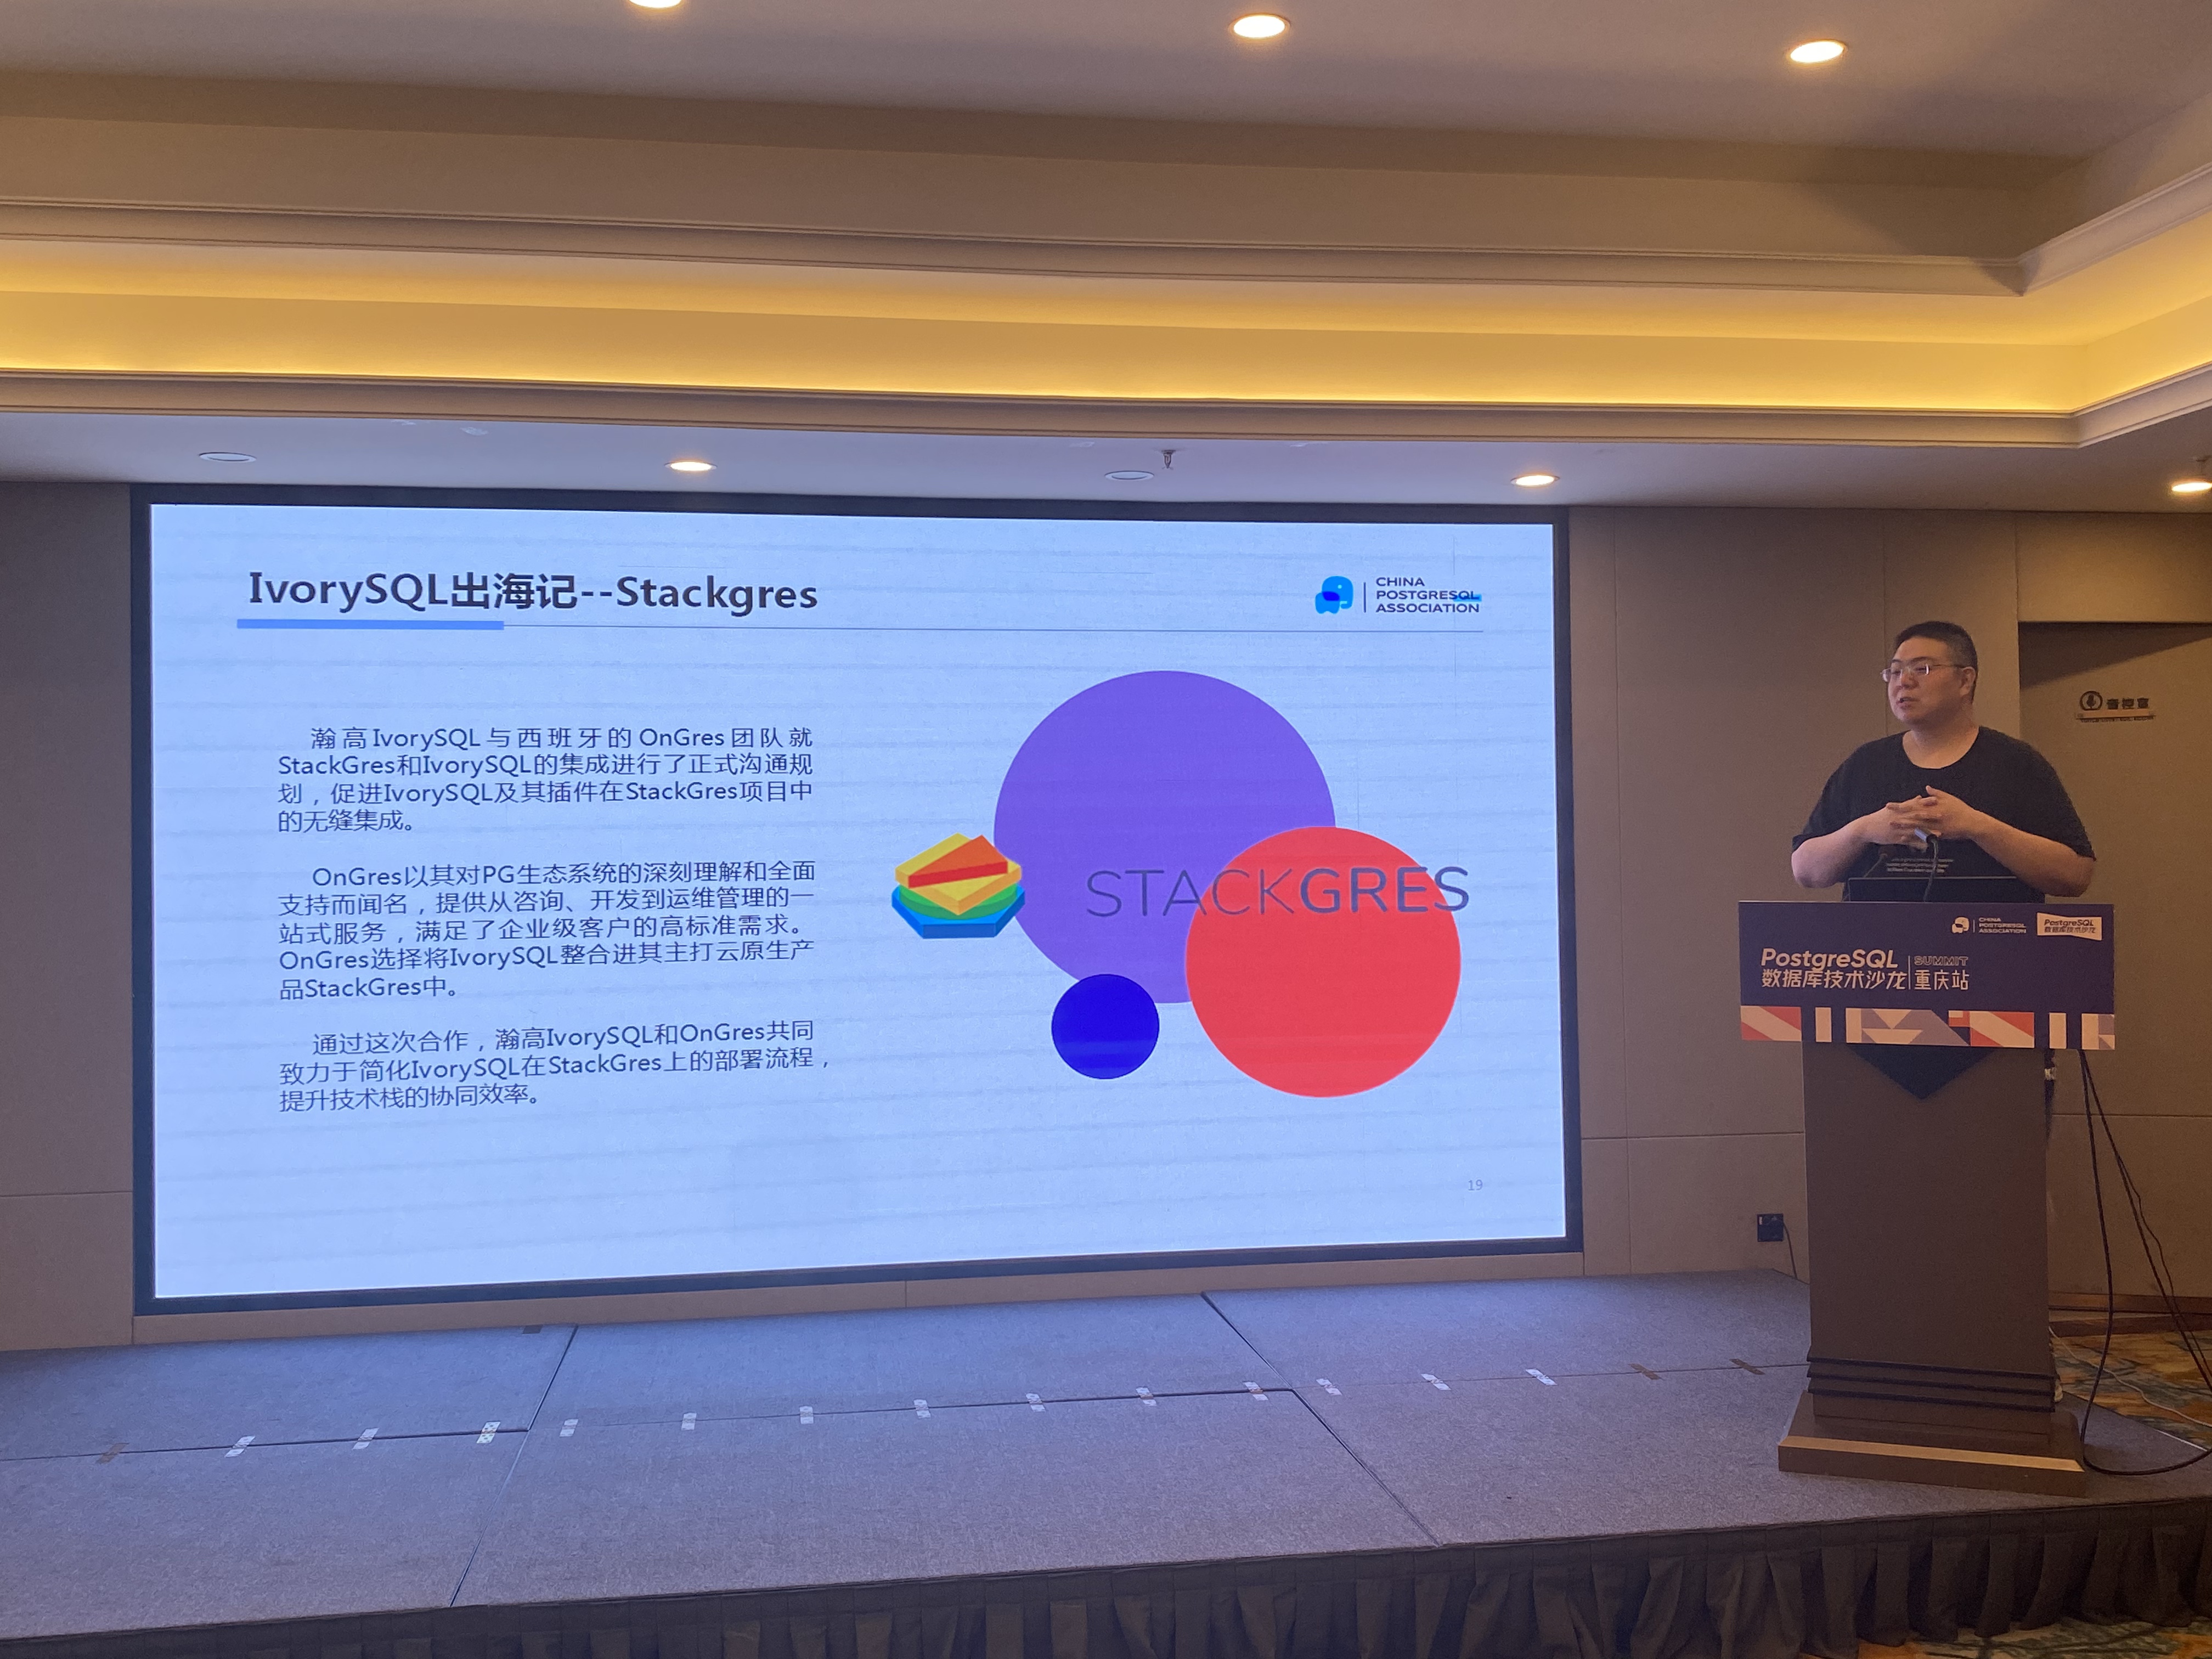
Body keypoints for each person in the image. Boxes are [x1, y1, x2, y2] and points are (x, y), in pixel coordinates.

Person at [1791, 621, 2094, 901]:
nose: (1903, 682)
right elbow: (1805, 871)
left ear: (1965, 680)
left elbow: (2076, 876)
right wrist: (1863, 830)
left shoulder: (2017, 763)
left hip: (1992, 938)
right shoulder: (1866, 764)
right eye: (1895, 672)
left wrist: (1978, 827)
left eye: (1922, 669)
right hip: (1875, 940)